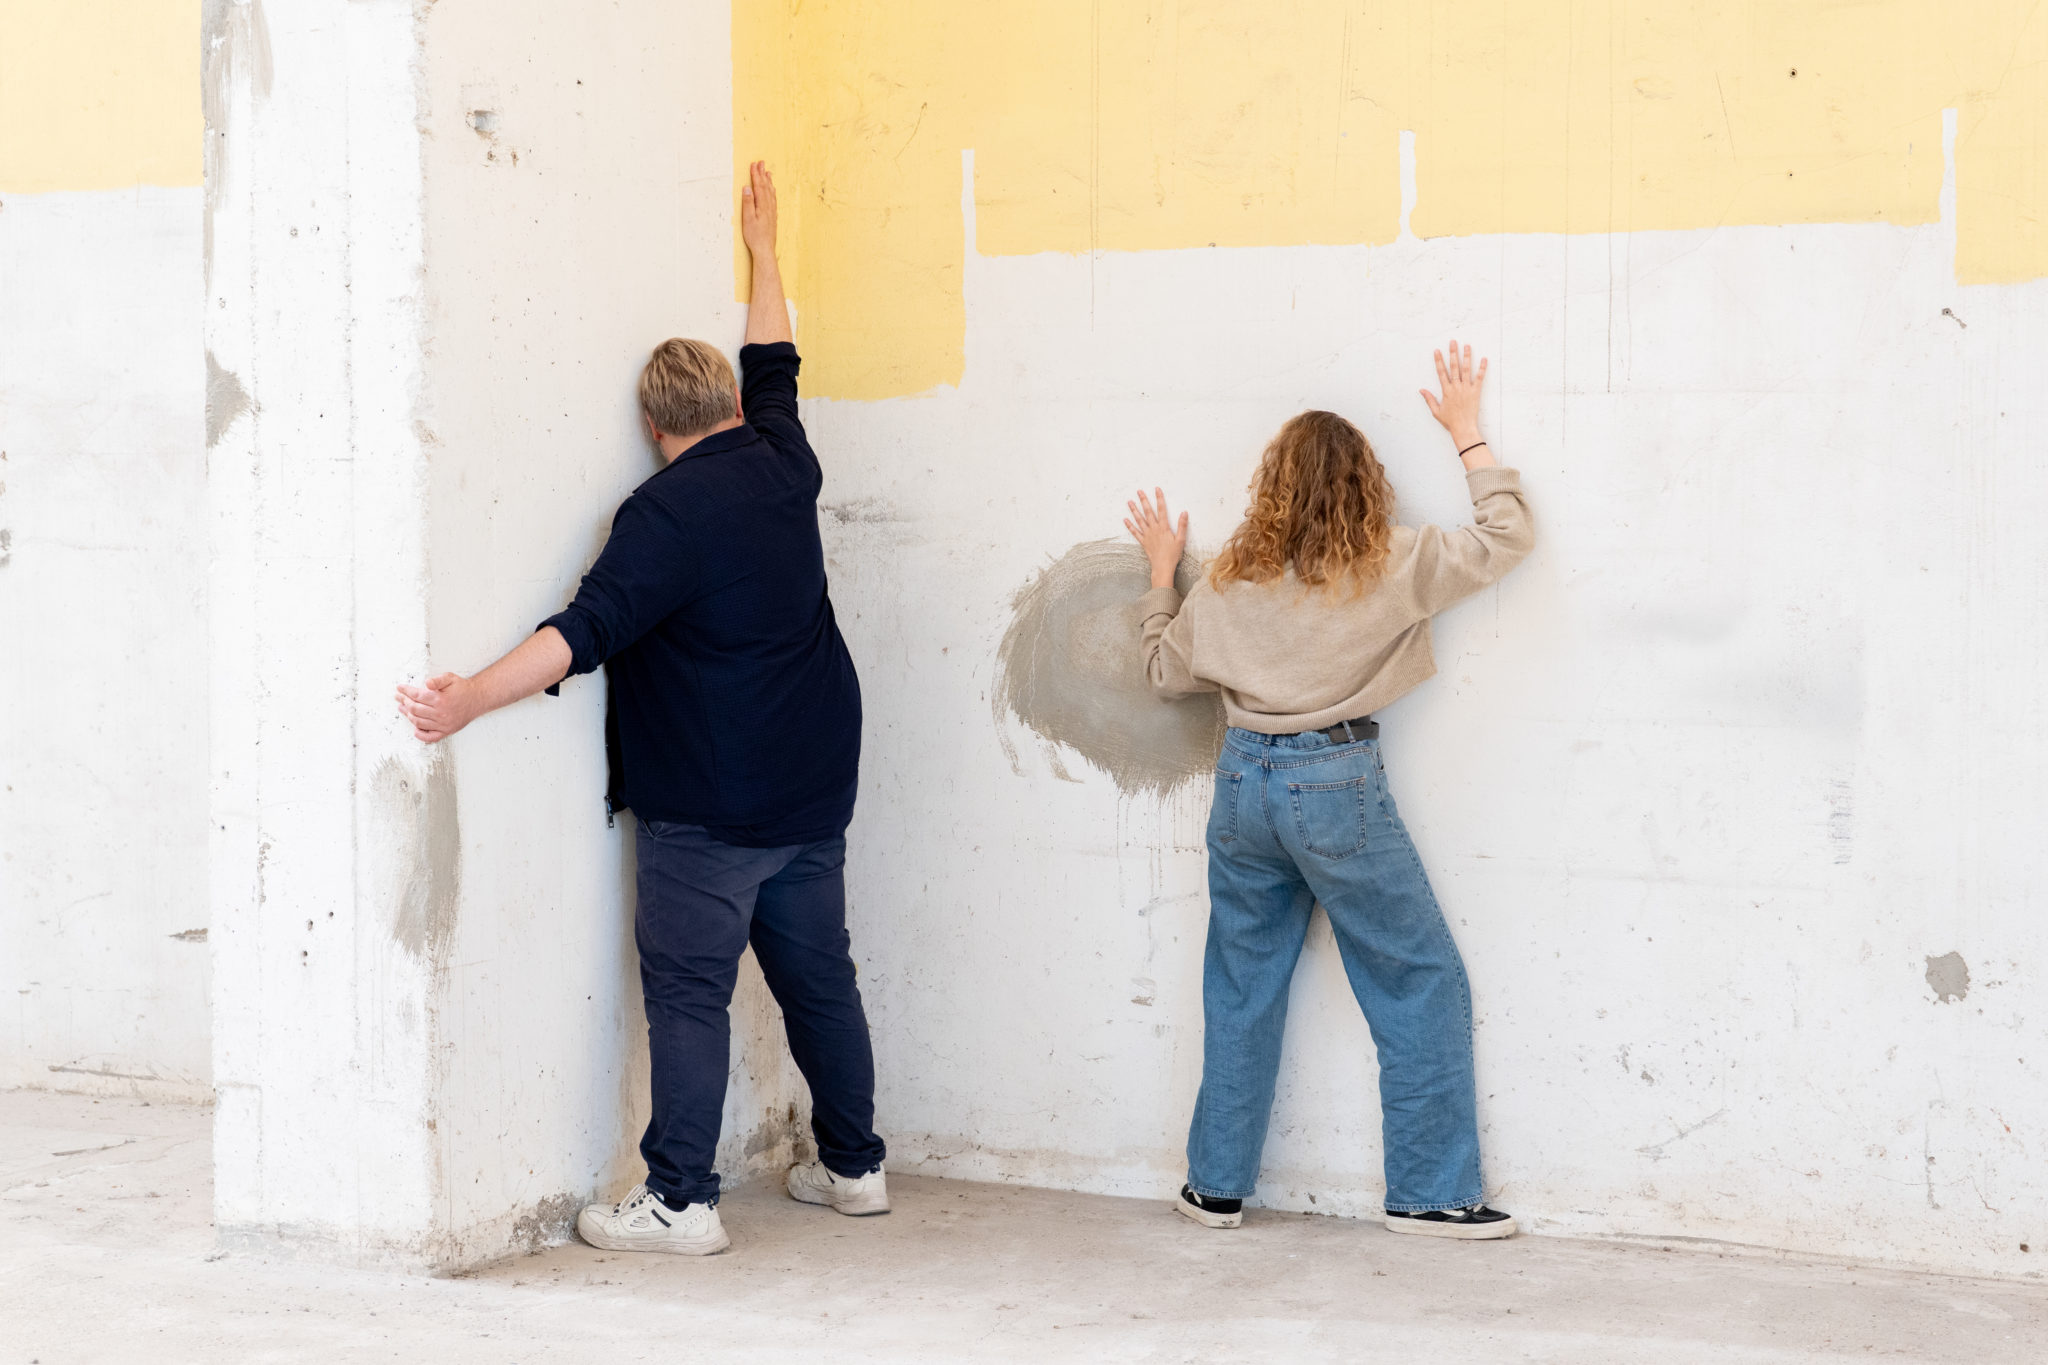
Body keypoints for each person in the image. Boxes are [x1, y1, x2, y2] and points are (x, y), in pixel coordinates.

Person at [395, 161, 888, 1256]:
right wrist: (765, 254)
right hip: (811, 788)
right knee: (820, 978)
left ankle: (679, 1200)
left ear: (653, 422)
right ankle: (855, 1168)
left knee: (687, 993)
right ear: (721, 406)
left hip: (709, 810)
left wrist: (467, 698)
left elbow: (581, 631)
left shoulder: (659, 515)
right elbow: (777, 360)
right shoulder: (782, 458)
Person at [1123, 341, 1532, 1239]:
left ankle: (1215, 1187)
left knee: (1241, 984)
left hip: (1242, 786)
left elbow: (1162, 672)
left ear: (1271, 487)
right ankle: (1429, 1193)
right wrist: (1466, 433)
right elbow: (1510, 537)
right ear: (1365, 484)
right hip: (1334, 784)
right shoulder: (1392, 560)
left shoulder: (1230, 575)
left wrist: (1162, 575)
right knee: (1417, 976)